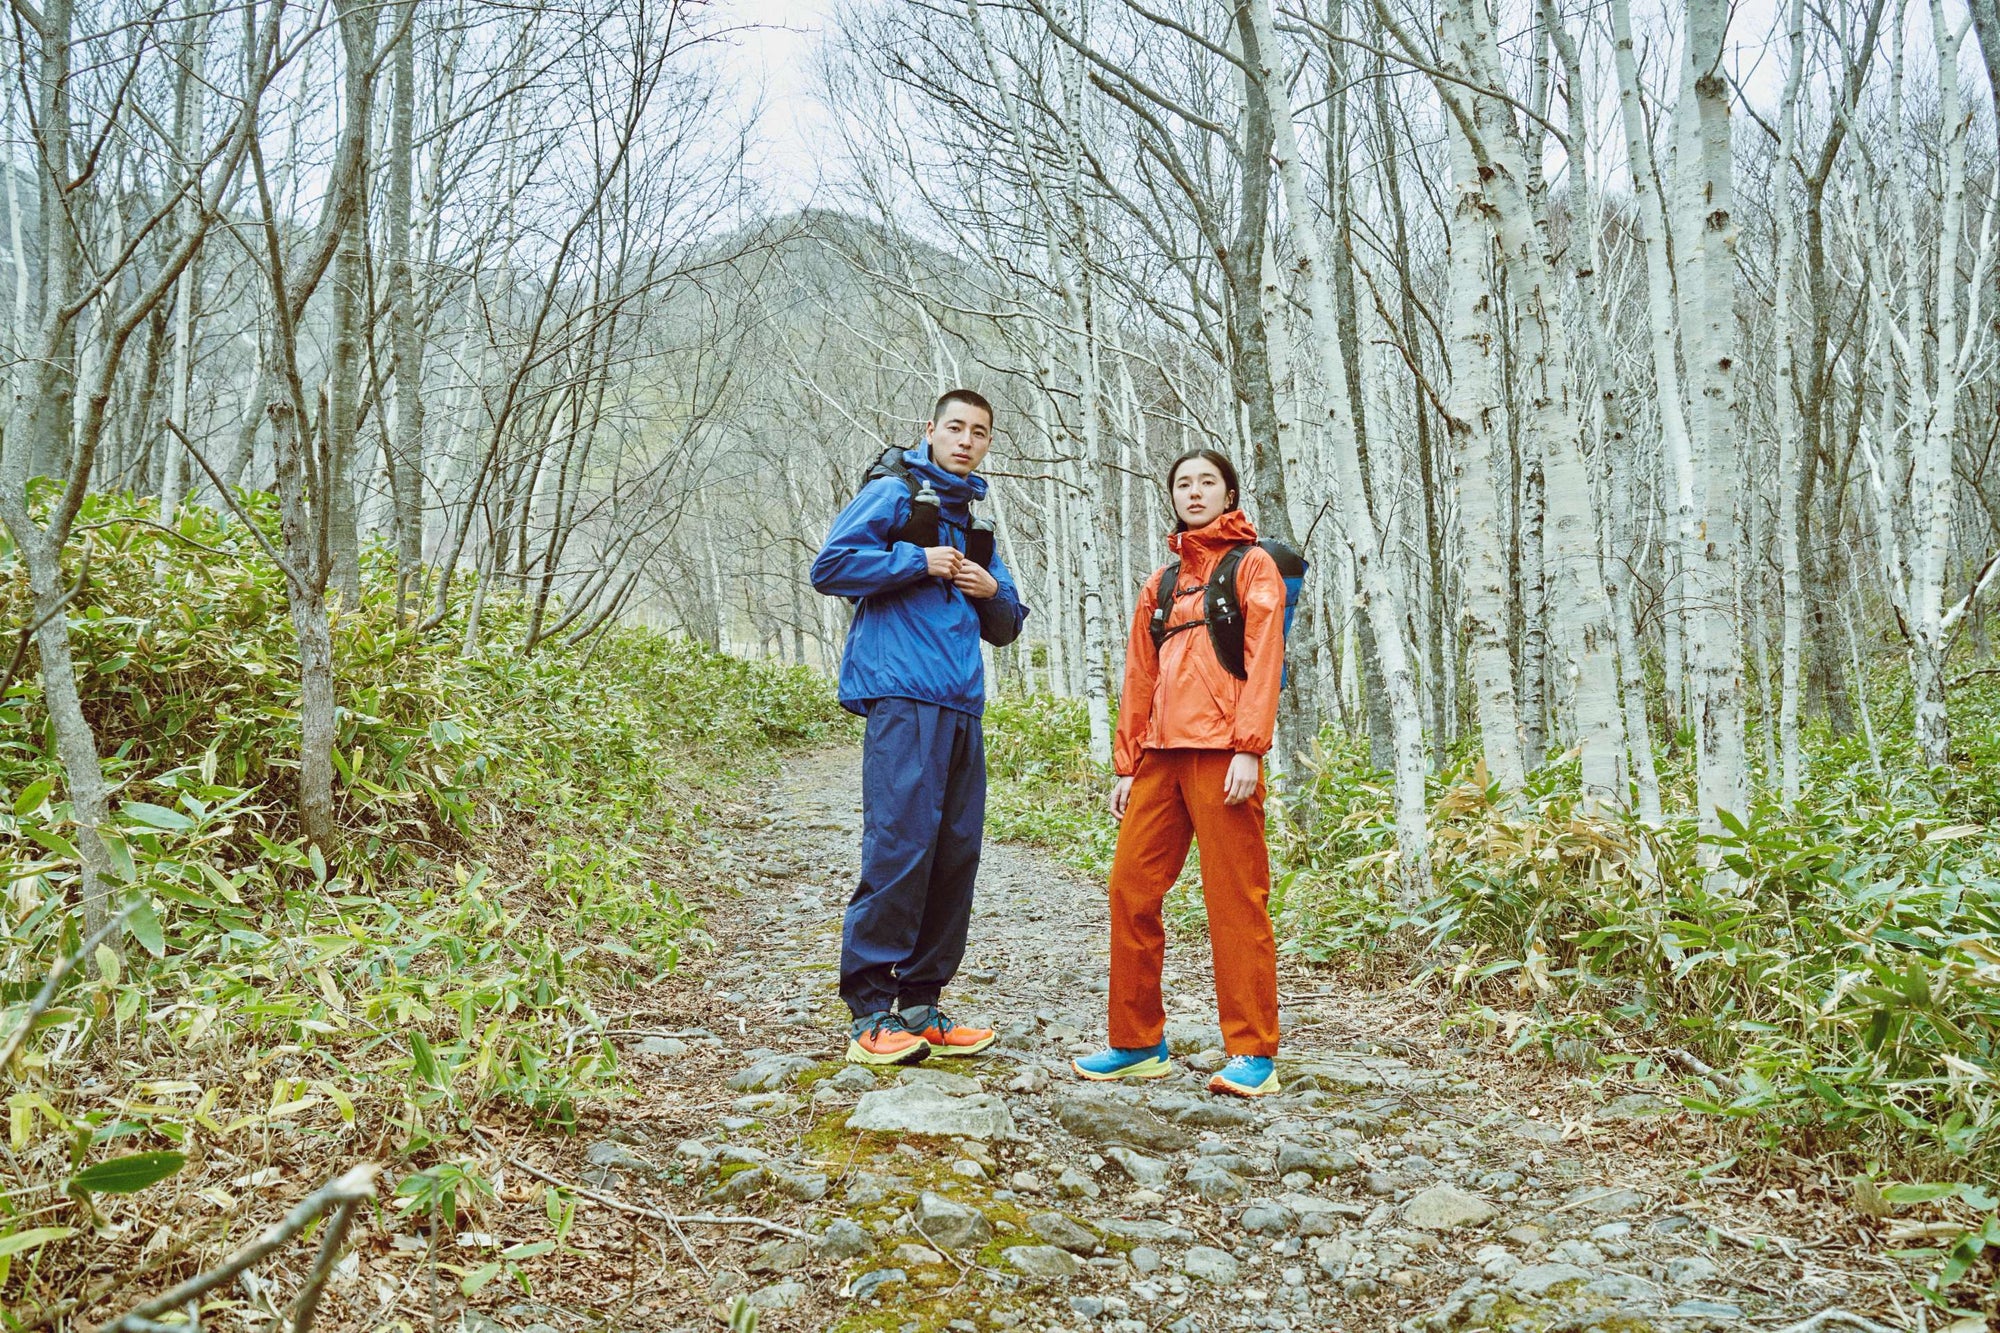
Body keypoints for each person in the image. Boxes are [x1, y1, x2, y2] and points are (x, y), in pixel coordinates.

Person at [810, 389, 1029, 1066]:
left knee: (954, 855)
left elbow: (1007, 625)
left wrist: (993, 592)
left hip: (962, 704)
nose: (966, 440)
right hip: (903, 696)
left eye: (979, 432)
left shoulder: (972, 520)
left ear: (987, 443)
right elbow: (830, 567)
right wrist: (917, 561)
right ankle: (870, 1013)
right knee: (900, 847)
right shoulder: (894, 494)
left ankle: (921, 1005)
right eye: (955, 427)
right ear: (930, 430)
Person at [1072, 448, 1286, 1097]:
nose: (1194, 492)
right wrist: (1127, 762)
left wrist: (1249, 747)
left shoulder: (1253, 566)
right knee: (1129, 889)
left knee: (1235, 899)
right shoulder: (1160, 584)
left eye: (1206, 482)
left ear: (1228, 494)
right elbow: (1140, 674)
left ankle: (1252, 1051)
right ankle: (1137, 1042)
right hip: (1159, 759)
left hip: (1224, 756)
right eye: (1183, 483)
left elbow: (1265, 655)